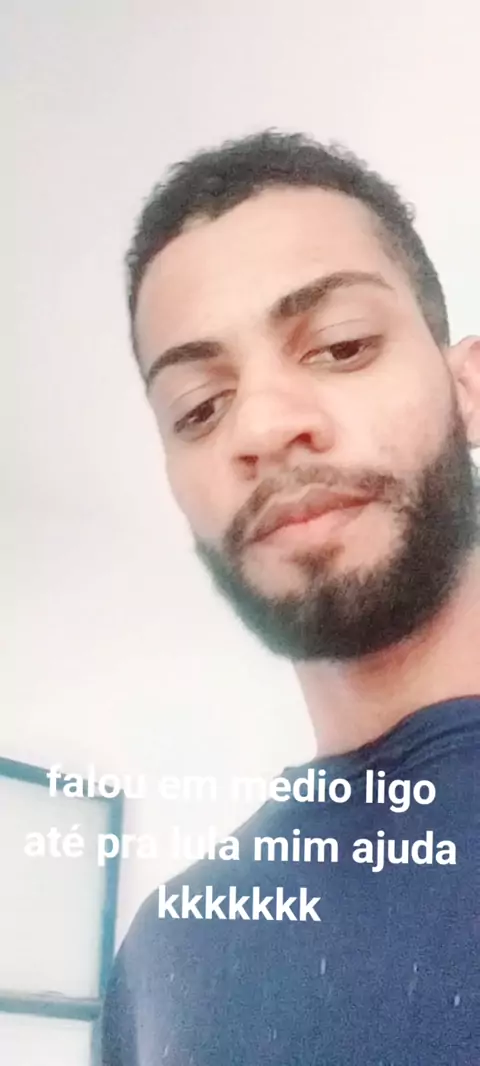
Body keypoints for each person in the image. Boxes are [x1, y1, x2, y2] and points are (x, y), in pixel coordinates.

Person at [101, 131, 480, 1065]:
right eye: (199, 407)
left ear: (467, 387)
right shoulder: (163, 959)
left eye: (341, 346)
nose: (263, 427)